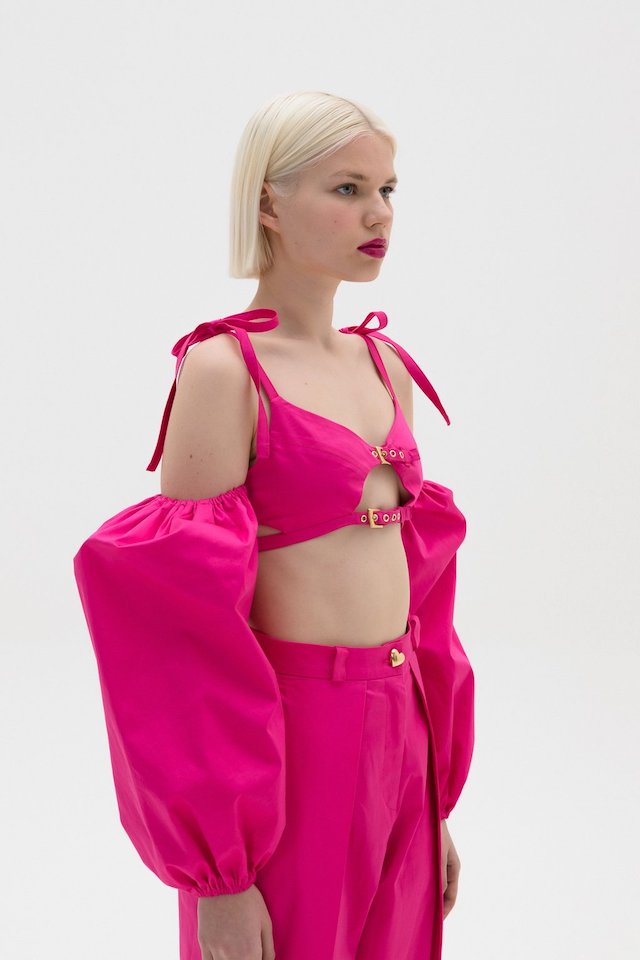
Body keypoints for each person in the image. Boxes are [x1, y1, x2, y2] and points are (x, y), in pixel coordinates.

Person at [73, 90, 475, 960]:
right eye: (347, 189)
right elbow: (182, 636)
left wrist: (433, 798)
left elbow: (422, 593)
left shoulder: (386, 365)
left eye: (387, 190)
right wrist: (217, 878)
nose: (379, 214)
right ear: (268, 203)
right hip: (294, 744)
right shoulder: (225, 371)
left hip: (402, 735)